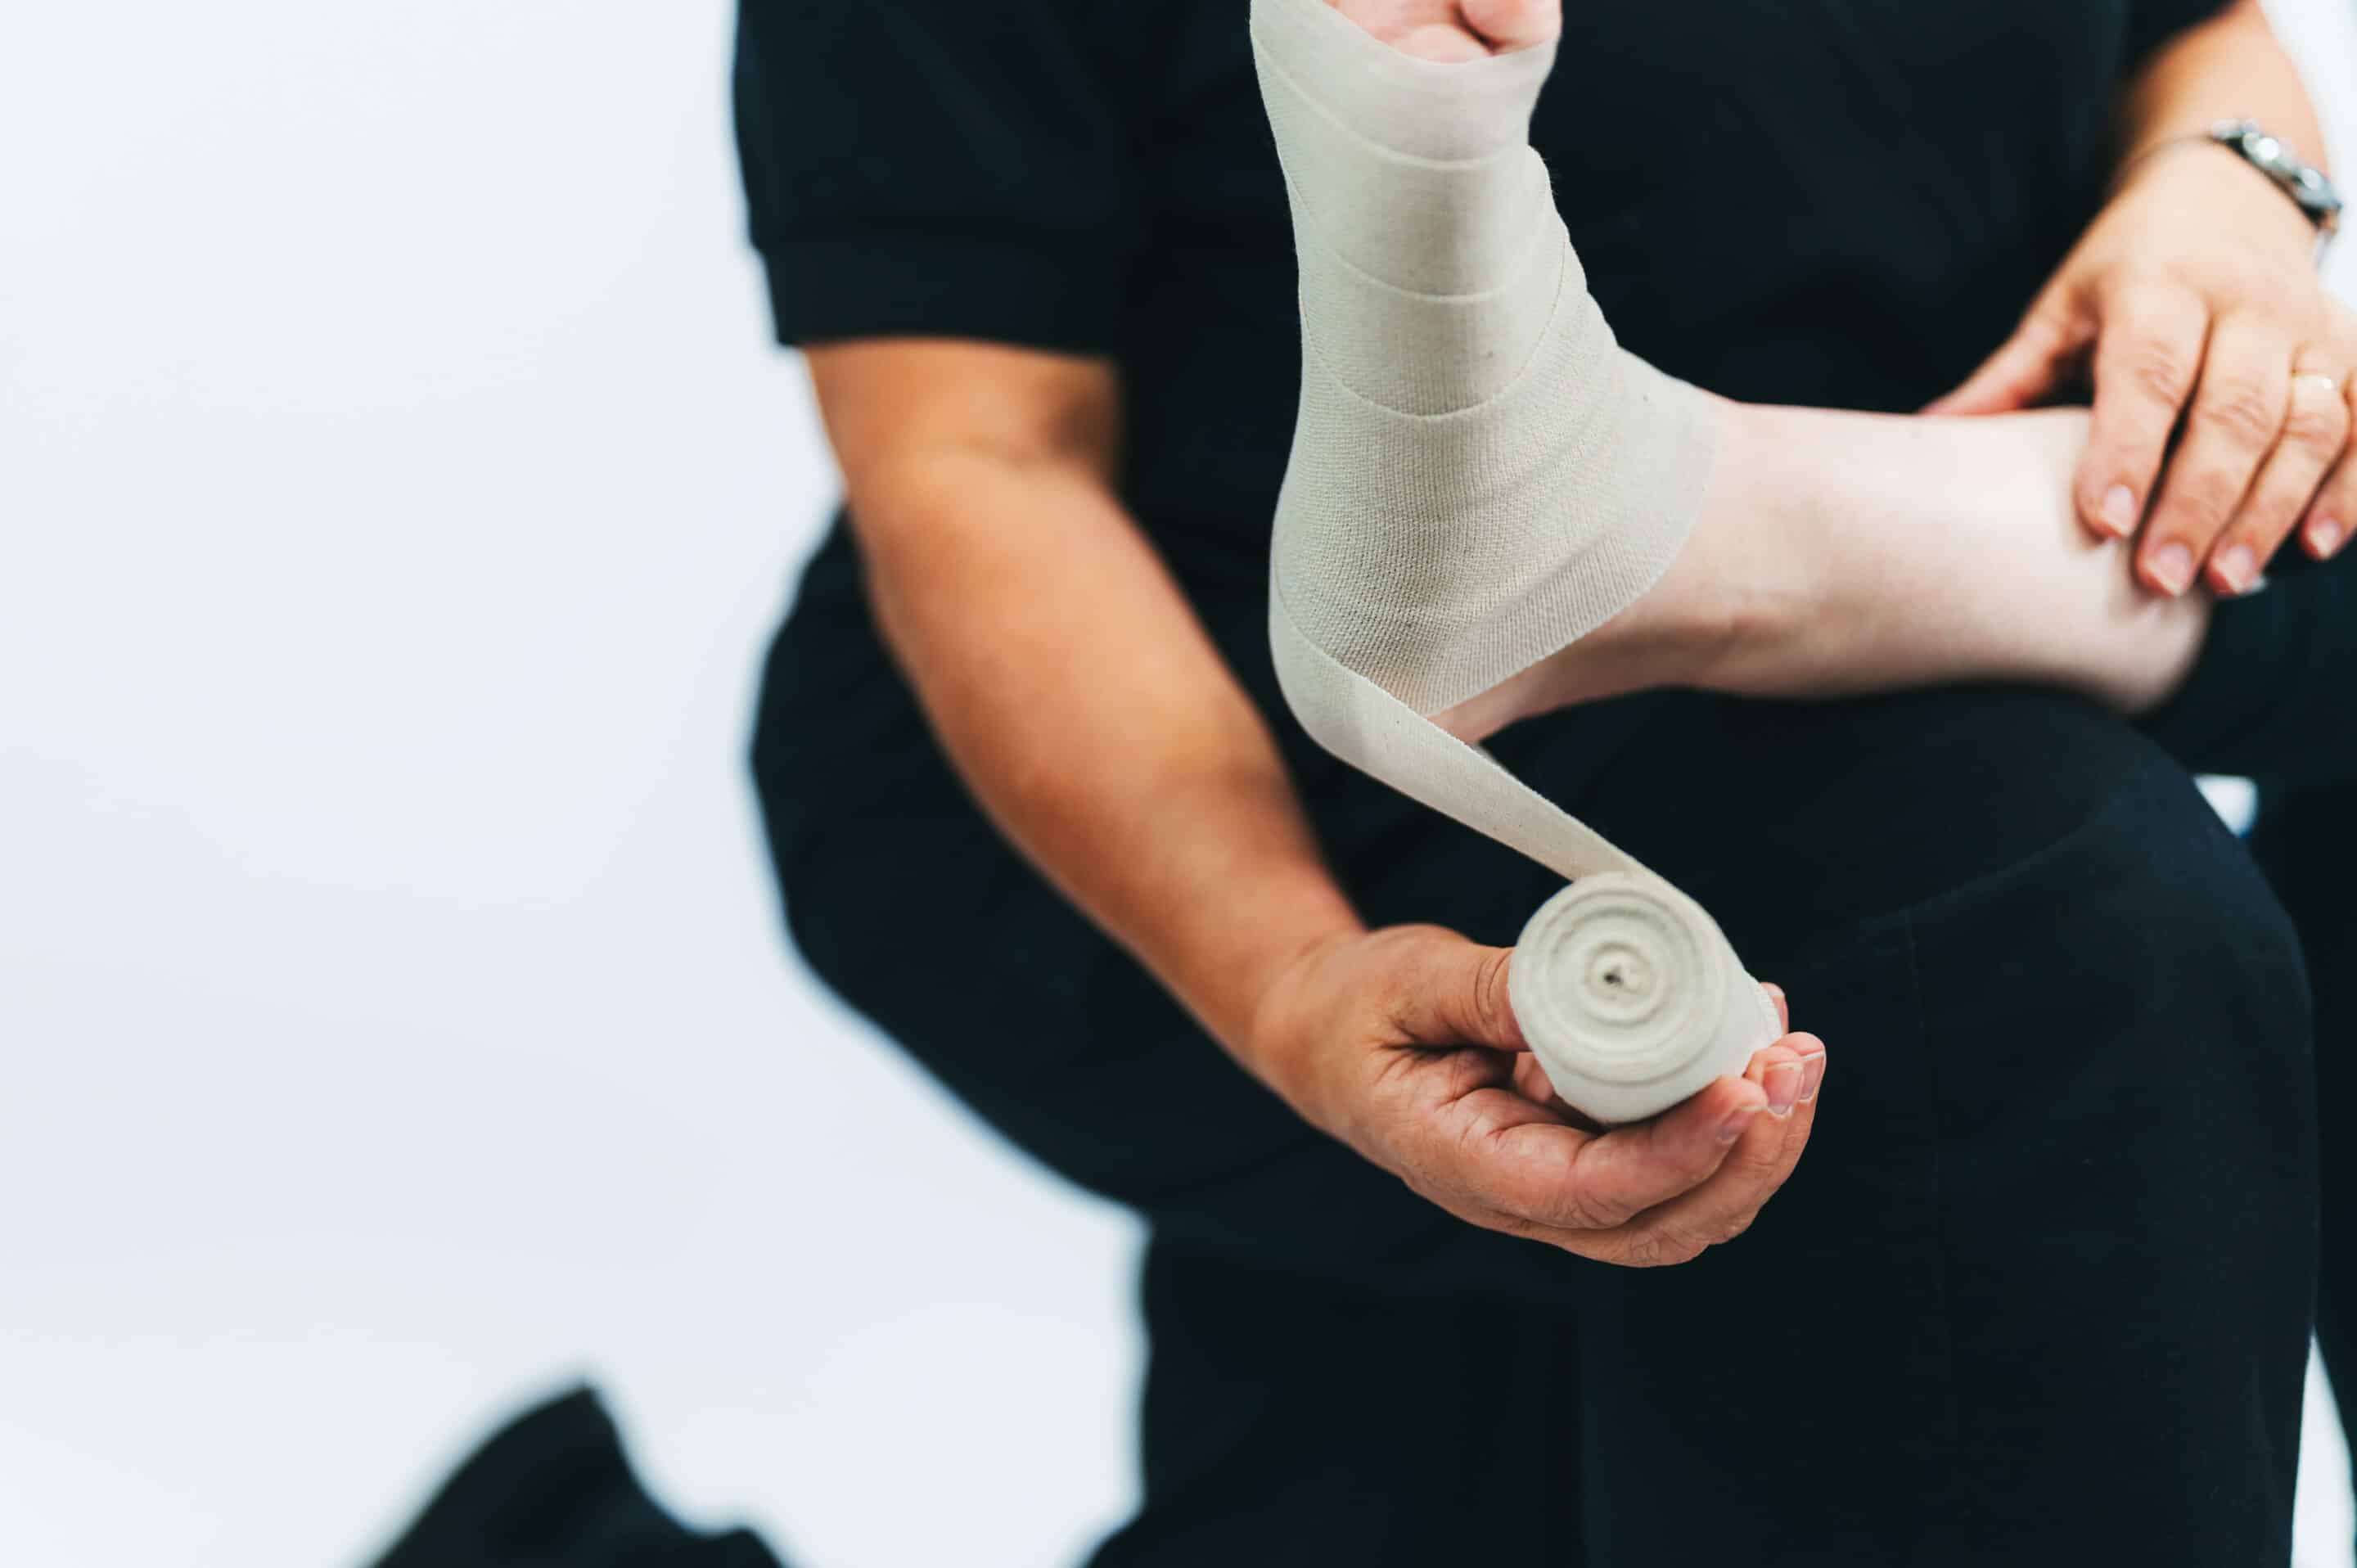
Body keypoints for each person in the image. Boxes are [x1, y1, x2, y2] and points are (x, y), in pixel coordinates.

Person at [733, 0, 2357, 1558]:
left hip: (1821, 673)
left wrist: (2227, 188)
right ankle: (1720, 530)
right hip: (1237, 764)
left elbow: (2192, 24)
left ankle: (1735, 527)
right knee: (2034, 923)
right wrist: (1297, 981)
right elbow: (978, 459)